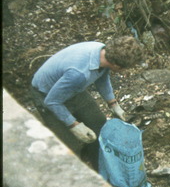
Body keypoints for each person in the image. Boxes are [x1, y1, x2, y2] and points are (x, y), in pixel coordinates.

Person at [30, 36, 145, 170]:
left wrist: (113, 104)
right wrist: (74, 125)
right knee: (70, 146)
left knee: (99, 124)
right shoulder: (79, 73)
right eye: (124, 68)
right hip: (46, 94)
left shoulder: (103, 51)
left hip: (74, 89)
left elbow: (102, 78)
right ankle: (77, 176)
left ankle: (99, 167)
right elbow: (52, 101)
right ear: (117, 65)